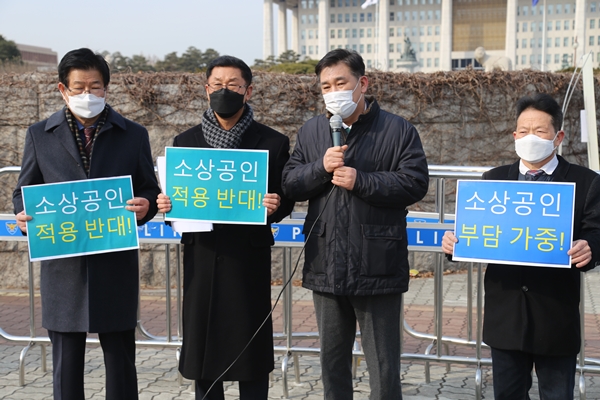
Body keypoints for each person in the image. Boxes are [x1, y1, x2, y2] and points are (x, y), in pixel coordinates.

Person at [12, 48, 160, 400]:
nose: (87, 95)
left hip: (114, 261)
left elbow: (149, 189)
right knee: (66, 362)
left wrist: (146, 206)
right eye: (78, 87)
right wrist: (22, 215)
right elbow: (24, 191)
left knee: (121, 360)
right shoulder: (39, 135)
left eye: (95, 86)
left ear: (106, 88)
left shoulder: (133, 134)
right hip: (63, 264)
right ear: (62, 89)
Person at [281, 49, 429, 399]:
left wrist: (361, 180)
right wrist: (321, 167)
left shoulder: (398, 129)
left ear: (362, 83)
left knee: (383, 365)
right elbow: (290, 182)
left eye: (341, 83)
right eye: (326, 86)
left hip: (377, 263)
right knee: (332, 362)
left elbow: (414, 183)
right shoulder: (313, 130)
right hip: (326, 262)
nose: (333, 92)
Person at [442, 93, 600, 400]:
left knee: (557, 395)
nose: (531, 138)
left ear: (558, 137)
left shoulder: (585, 182)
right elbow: (472, 234)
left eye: (540, 131)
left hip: (555, 316)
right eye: (523, 131)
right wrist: (453, 244)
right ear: (514, 135)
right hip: (506, 318)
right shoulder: (492, 182)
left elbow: (597, 232)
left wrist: (591, 247)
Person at [156, 55, 294, 400]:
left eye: (233, 85)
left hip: (248, 259)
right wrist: (167, 207)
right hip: (202, 257)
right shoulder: (184, 143)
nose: (224, 91)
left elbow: (286, 197)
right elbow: (177, 204)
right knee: (204, 348)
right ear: (206, 90)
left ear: (248, 91)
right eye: (217, 84)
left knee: (250, 347)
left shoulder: (273, 143)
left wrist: (275, 205)